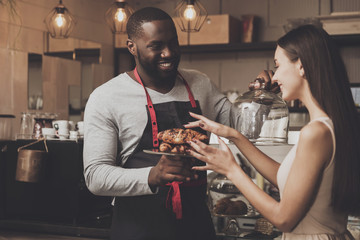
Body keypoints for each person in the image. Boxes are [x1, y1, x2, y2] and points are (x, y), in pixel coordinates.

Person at [185, 24, 360, 239]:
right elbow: (284, 178)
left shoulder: (315, 133)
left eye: (277, 65)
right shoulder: (331, 125)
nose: (274, 77)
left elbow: (283, 218)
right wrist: (234, 135)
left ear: (302, 66)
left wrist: (231, 170)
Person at [83, 7, 243, 240]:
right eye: (156, 46)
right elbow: (95, 177)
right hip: (138, 229)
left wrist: (260, 98)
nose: (168, 53)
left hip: (197, 226)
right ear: (132, 47)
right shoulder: (107, 97)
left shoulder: (200, 83)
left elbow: (239, 127)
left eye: (173, 43)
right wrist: (152, 175)